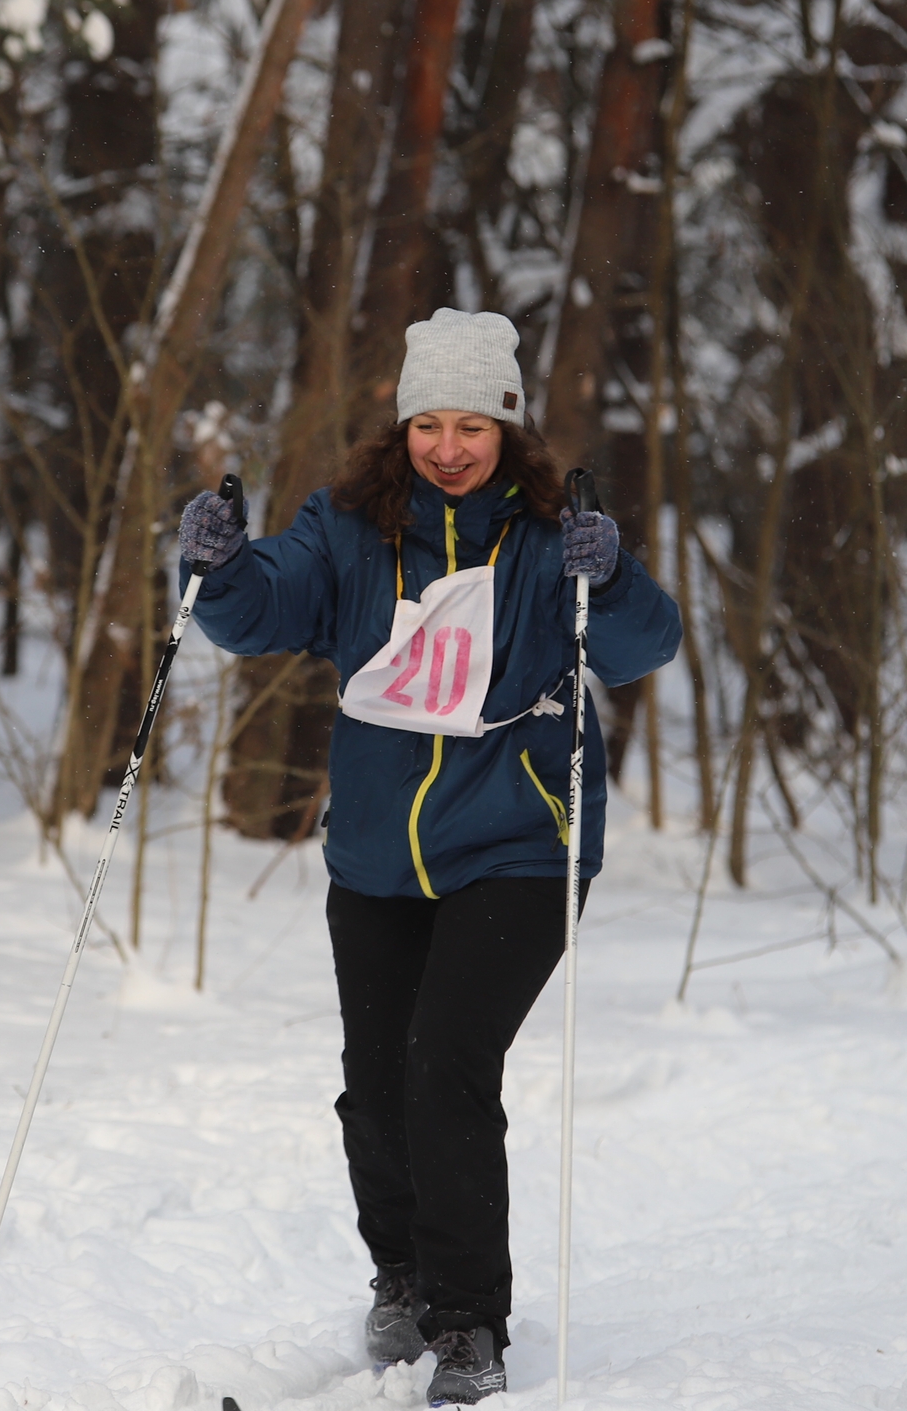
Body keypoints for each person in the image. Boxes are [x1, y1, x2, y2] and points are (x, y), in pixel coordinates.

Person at [176, 308, 684, 1406]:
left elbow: (642, 646)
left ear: (508, 429)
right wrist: (218, 570)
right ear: (399, 426)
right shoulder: (349, 526)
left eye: (471, 425)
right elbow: (264, 609)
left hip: (520, 838)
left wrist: (619, 574)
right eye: (427, 424)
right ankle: (399, 1273)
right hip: (375, 849)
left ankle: (466, 1321)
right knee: (374, 1082)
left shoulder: (553, 533)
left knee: (443, 1062)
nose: (448, 447)